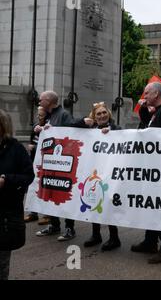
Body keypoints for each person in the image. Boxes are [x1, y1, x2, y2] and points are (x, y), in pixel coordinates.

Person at [130, 82, 161, 264]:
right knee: (150, 206)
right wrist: (143, 110)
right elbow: (146, 128)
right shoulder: (158, 111)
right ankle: (150, 241)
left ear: (156, 93)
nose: (144, 95)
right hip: (152, 169)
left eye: (147, 92)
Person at [75, 102, 122, 251]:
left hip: (109, 174)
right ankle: (96, 235)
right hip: (93, 173)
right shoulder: (89, 129)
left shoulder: (117, 129)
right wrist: (83, 122)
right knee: (93, 201)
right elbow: (69, 126)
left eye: (104, 113)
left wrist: (112, 134)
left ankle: (114, 238)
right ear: (94, 117)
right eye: (98, 114)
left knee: (107, 204)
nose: (102, 116)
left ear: (108, 113)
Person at [35, 91, 77, 241]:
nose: (39, 101)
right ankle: (54, 224)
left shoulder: (64, 115)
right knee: (51, 194)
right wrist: (40, 130)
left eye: (41, 100)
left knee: (63, 194)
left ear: (49, 101)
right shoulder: (49, 116)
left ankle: (69, 228)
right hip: (50, 163)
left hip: (62, 163)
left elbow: (72, 134)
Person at [0, 110, 34, 280]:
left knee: (2, 263)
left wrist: (6, 179)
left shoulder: (16, 149)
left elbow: (29, 176)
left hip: (5, 216)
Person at [24, 106, 50, 225]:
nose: (39, 117)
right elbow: (31, 140)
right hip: (35, 161)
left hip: (47, 163)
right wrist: (31, 147)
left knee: (46, 188)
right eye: (38, 115)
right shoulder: (35, 126)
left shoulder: (50, 127)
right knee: (33, 186)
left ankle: (47, 215)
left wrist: (35, 147)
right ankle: (33, 212)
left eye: (41, 115)